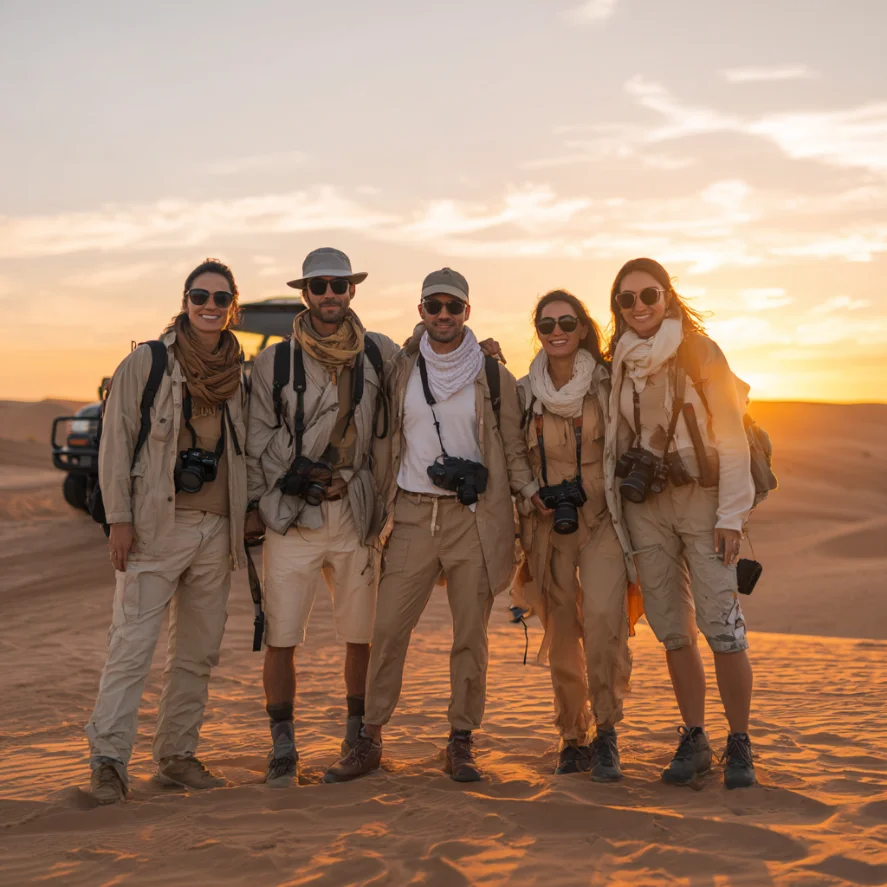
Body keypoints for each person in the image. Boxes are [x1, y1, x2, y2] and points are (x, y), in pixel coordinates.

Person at [323, 267, 538, 785]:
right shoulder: (401, 369)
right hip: (415, 515)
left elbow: (511, 447)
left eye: (454, 307)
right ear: (420, 311)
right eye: (434, 306)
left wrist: (529, 498)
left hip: (475, 518)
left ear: (468, 312)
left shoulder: (493, 376)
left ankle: (461, 741)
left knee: (470, 636)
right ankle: (369, 738)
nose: (444, 315)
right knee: (389, 629)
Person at [86, 258, 250, 804]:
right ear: (184, 301)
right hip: (156, 527)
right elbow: (116, 442)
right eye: (199, 295)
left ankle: (177, 757)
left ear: (232, 307)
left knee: (196, 655)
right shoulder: (148, 362)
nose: (209, 305)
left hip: (216, 530)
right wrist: (120, 520)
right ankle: (109, 761)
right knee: (131, 648)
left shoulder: (237, 371)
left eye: (220, 298)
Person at [245, 247, 401, 788]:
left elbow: (423, 382)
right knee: (281, 637)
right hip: (294, 517)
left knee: (361, 636)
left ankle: (357, 736)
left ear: (352, 290)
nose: (329, 295)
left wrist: (488, 354)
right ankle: (283, 747)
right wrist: (295, 473)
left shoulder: (382, 354)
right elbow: (256, 435)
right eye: (319, 287)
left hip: (356, 513)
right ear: (304, 294)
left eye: (339, 285)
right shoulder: (274, 363)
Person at [603, 257, 756, 789]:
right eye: (628, 299)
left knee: (722, 625)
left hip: (703, 501)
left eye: (650, 295)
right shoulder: (618, 359)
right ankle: (695, 738)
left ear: (667, 297)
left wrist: (732, 514)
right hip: (647, 508)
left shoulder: (698, 351)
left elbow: (732, 436)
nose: (640, 306)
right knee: (672, 629)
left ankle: (740, 743)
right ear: (617, 307)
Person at [515, 290, 635, 779]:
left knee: (606, 620)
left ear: (583, 327)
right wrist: (529, 491)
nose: (557, 331)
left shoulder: (609, 384)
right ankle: (572, 735)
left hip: (603, 520)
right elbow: (510, 453)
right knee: (562, 635)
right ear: (538, 333)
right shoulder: (524, 391)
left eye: (567, 322)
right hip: (548, 526)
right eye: (546, 325)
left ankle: (607, 732)